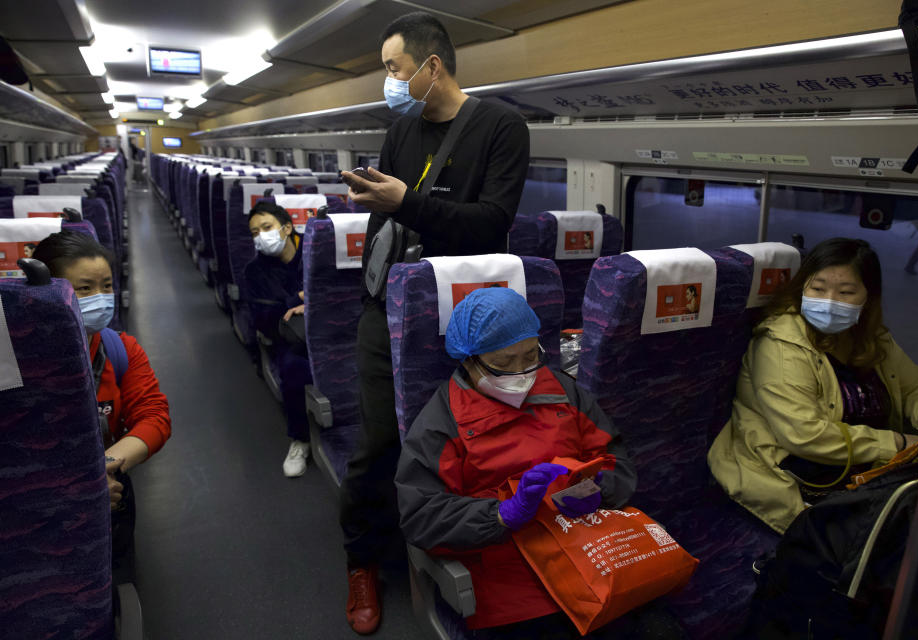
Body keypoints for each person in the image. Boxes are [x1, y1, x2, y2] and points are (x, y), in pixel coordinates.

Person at [336, 11, 530, 634]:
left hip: (462, 308)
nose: (389, 80)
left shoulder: (501, 126)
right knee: (376, 444)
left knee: (462, 440)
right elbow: (385, 224)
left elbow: (491, 222)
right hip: (388, 303)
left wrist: (405, 202)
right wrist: (378, 215)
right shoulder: (401, 127)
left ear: (431, 66)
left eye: (394, 68)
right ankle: (362, 560)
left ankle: (465, 545)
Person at [395, 288, 683, 639]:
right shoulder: (441, 422)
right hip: (514, 580)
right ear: (468, 360)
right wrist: (502, 513)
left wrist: (598, 488)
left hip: (591, 549)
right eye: (504, 364)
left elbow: (615, 459)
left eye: (530, 355)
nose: (522, 373)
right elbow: (421, 515)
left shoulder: (564, 391)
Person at [708, 238, 918, 534]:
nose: (829, 301)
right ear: (802, 287)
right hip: (799, 472)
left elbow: (916, 388)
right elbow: (804, 434)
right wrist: (899, 445)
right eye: (818, 289)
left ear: (868, 297)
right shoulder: (780, 344)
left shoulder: (872, 337)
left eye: (845, 292)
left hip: (869, 464)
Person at [32, 231, 171, 582]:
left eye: (106, 286)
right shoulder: (17, 362)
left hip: (107, 482)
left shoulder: (119, 349)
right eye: (84, 289)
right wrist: (73, 487)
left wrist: (98, 473)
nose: (101, 299)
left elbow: (153, 417)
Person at [243, 201, 312, 477]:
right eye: (254, 233)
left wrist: (310, 303)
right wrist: (296, 299)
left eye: (267, 227)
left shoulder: (315, 251)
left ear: (287, 228)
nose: (261, 236)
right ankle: (300, 439)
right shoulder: (255, 271)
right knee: (294, 366)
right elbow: (264, 319)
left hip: (329, 325)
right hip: (289, 335)